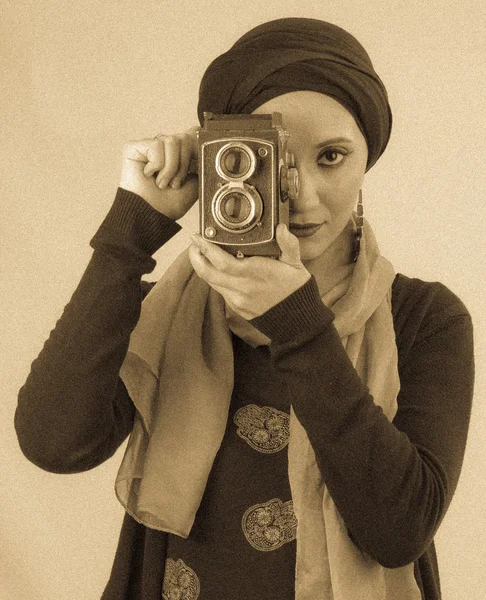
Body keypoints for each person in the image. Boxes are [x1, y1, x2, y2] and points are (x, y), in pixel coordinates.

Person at [15, 17, 474, 600]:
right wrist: (132, 230)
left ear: (367, 160)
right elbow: (54, 444)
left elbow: (400, 528)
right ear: (226, 161)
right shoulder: (174, 312)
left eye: (331, 157)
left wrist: (297, 324)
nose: (302, 194)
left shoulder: (425, 318)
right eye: (274, 160)